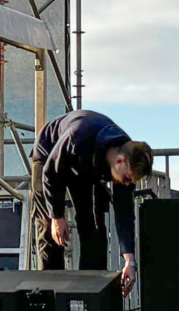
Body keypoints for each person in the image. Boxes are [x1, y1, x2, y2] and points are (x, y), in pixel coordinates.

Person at [28, 109, 153, 292]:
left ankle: (89, 294)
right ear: (119, 161)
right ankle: (50, 295)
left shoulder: (126, 158)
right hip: (49, 156)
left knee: (93, 225)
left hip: (87, 167)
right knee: (49, 229)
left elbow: (125, 214)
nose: (126, 183)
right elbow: (50, 173)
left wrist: (130, 261)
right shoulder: (78, 135)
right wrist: (57, 216)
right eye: (126, 178)